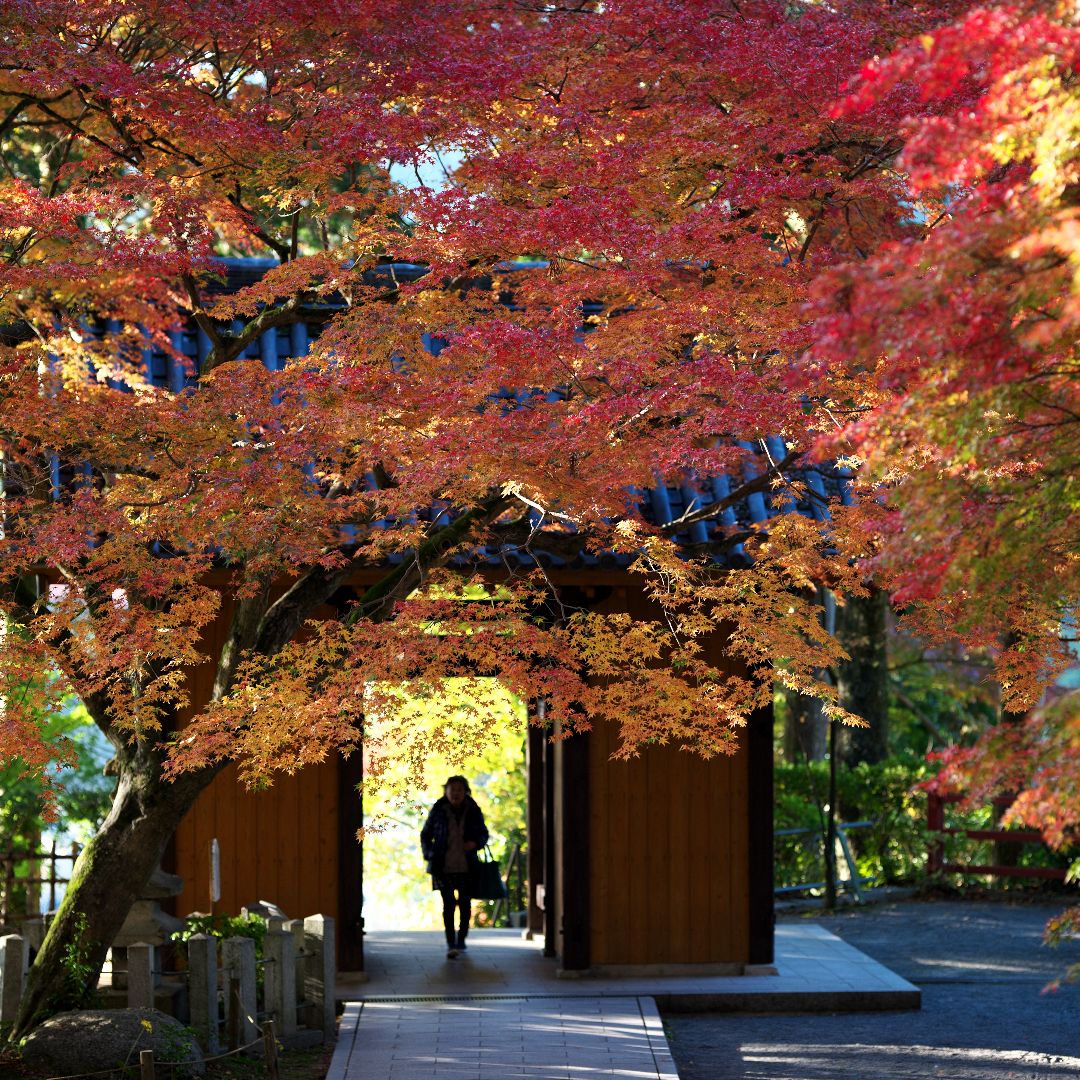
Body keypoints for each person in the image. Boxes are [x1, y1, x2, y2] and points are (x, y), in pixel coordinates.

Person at [420, 775, 489, 958]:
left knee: (465, 905)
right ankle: (451, 942)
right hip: (443, 866)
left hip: (467, 866)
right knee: (448, 905)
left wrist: (475, 843)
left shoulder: (473, 810)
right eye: (452, 789)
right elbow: (425, 835)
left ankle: (462, 940)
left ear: (465, 791)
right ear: (446, 792)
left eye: (459, 789)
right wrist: (429, 854)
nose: (455, 793)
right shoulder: (438, 810)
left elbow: (483, 834)